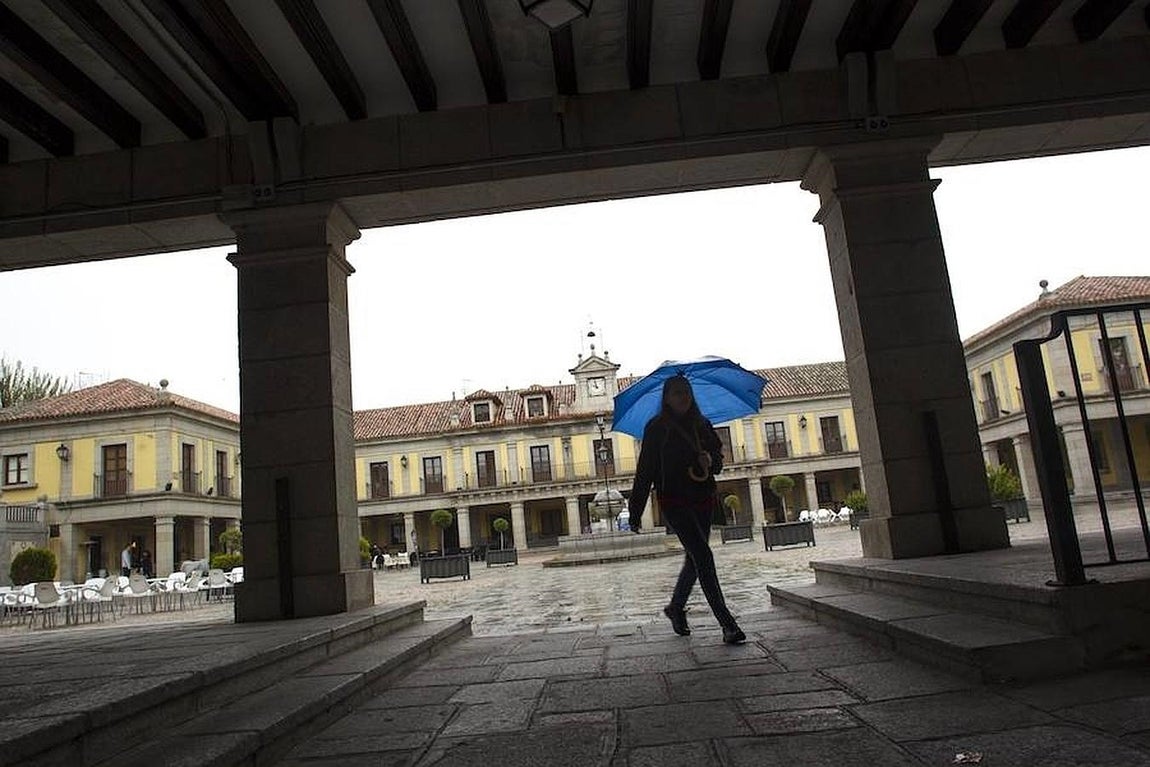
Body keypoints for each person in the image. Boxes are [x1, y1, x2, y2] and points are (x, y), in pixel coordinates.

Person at [628, 375, 746, 644]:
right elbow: (645, 470)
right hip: (674, 501)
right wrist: (635, 511)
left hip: (702, 498)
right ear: (667, 398)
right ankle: (727, 624)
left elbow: (717, 461)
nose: (683, 397)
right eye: (677, 393)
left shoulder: (701, 425)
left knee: (695, 559)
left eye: (686, 392)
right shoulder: (656, 428)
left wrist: (710, 459)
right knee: (703, 556)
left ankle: (675, 608)